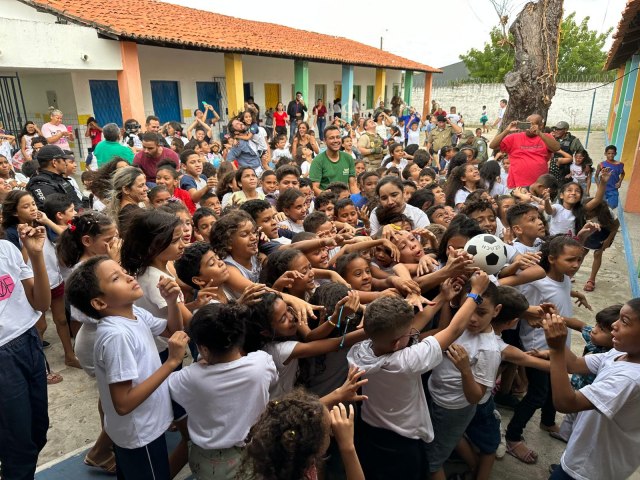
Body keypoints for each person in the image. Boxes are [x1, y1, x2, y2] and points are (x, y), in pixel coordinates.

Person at [347, 275, 488, 480]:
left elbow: (412, 326)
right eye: (408, 333)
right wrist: (476, 292)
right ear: (396, 344)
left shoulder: (358, 352)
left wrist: (442, 296)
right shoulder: (406, 362)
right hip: (402, 441)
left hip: (369, 430)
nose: (413, 332)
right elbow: (454, 329)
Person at [65, 256, 187, 480]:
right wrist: (171, 362)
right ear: (100, 303)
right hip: (140, 433)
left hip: (141, 427)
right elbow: (123, 403)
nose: (129, 277)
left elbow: (173, 331)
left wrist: (171, 302)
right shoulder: (116, 336)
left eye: (123, 271)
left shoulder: (135, 314)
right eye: (116, 278)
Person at [543, 303, 640, 480]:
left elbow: (566, 403)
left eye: (624, 321)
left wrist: (556, 349)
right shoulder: (619, 354)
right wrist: (556, 326)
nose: (614, 325)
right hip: (584, 454)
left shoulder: (630, 379)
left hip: (589, 470)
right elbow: (574, 364)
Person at [0, 224, 51, 479]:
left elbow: (41, 304)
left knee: (37, 430)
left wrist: (36, 254)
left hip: (28, 340)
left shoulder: (6, 249)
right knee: (17, 447)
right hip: (3, 359)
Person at [489, 116, 561, 188]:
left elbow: (556, 148)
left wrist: (539, 133)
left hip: (538, 186)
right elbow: (492, 146)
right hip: (517, 185)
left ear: (541, 125)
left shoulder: (546, 137)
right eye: (527, 124)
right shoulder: (514, 137)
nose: (529, 127)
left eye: (532, 124)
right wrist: (506, 131)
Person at [26, 145, 82, 210]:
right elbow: (55, 212)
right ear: (54, 162)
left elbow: (75, 202)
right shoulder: (41, 185)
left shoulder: (59, 179)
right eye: (63, 160)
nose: (65, 164)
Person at [309, 125, 357, 196]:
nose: (335, 141)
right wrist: (327, 195)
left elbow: (352, 186)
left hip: (344, 201)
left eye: (338, 137)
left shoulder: (348, 158)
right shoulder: (318, 161)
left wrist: (359, 200)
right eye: (331, 138)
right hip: (326, 202)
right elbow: (314, 188)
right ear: (325, 141)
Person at [596, 144, 625, 209]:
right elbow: (596, 176)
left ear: (615, 153)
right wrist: (598, 186)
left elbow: (623, 173)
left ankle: (607, 215)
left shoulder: (620, 165)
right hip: (603, 189)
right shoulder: (601, 164)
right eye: (608, 153)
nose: (611, 155)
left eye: (613, 153)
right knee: (601, 206)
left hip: (613, 189)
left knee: (613, 205)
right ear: (605, 154)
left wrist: (619, 182)